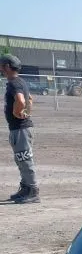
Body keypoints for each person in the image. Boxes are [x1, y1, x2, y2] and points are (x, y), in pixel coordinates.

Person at [2, 54, 39, 203]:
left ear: (8, 67)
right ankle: (25, 188)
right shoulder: (20, 81)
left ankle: (32, 191)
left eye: (2, 66)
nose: (1, 69)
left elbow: (21, 100)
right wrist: (26, 112)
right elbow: (30, 99)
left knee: (25, 159)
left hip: (20, 129)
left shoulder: (14, 83)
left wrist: (17, 112)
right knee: (21, 159)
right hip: (19, 128)